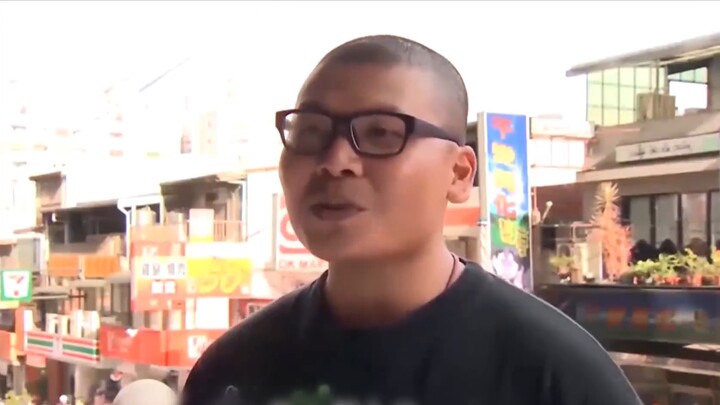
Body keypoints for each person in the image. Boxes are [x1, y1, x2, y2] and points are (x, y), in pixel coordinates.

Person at [181, 35, 641, 405]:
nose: (335, 161)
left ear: (459, 174)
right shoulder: (232, 372)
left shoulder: (557, 375)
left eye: (381, 133)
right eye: (311, 132)